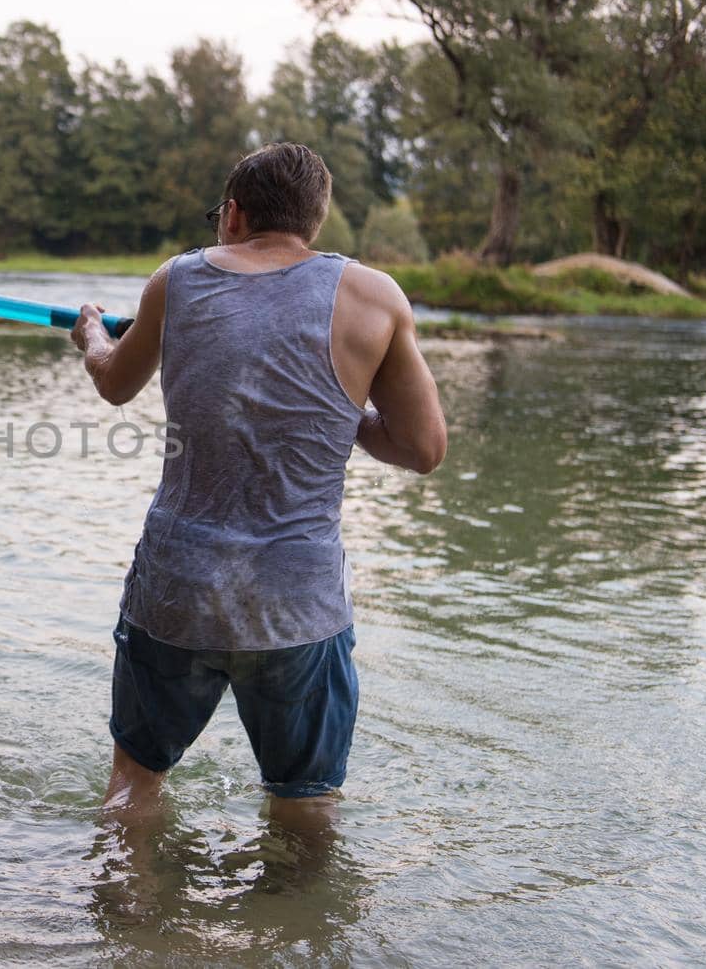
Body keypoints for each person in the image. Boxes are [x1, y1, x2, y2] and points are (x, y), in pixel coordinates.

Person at [70, 143, 446, 829]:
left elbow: (116, 383)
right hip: (296, 605)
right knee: (306, 811)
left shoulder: (174, 281)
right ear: (313, 223)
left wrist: (92, 335)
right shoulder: (373, 296)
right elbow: (422, 448)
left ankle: (125, 927)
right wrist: (346, 407)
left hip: (177, 589)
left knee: (133, 787)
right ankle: (300, 934)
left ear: (235, 214)